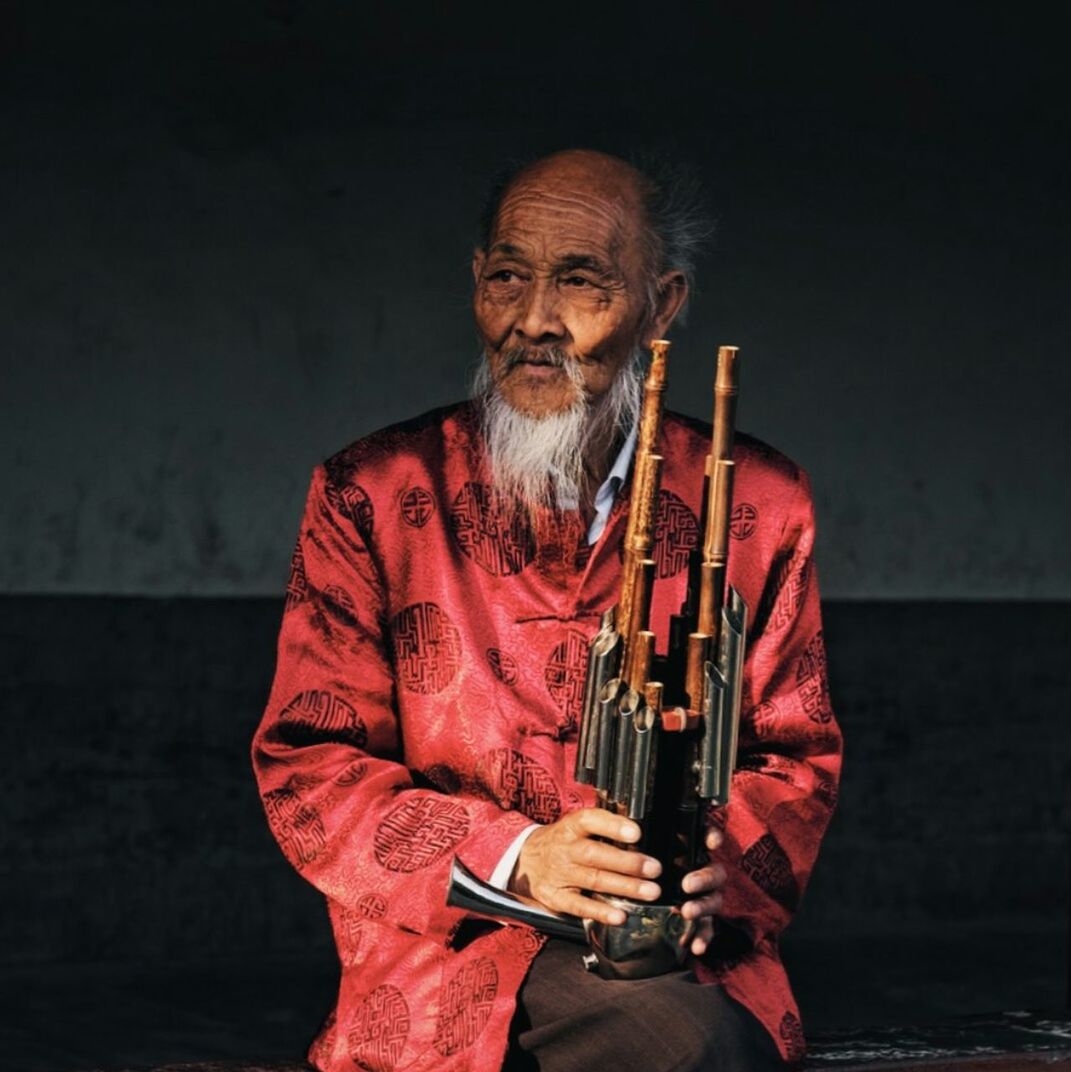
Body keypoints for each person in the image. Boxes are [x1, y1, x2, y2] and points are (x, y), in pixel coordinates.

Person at [252, 149, 842, 1072]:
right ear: (475, 285)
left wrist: (706, 870)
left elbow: (793, 752)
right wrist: (522, 854)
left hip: (675, 950)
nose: (534, 321)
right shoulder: (371, 493)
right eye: (507, 278)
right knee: (684, 1049)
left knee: (693, 1030)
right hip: (451, 945)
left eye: (580, 283)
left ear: (664, 303)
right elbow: (309, 768)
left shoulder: (758, 502)